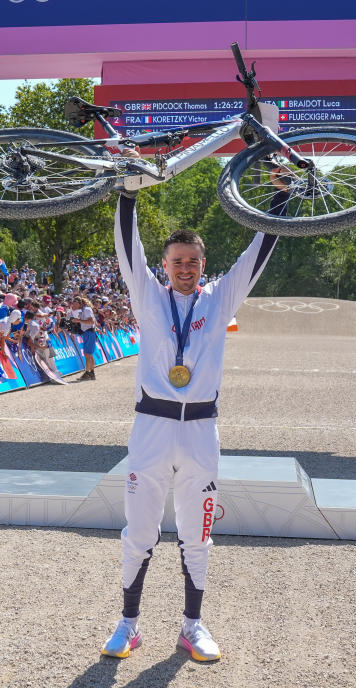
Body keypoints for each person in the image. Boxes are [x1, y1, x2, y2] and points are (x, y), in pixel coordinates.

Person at [101, 187, 283, 663]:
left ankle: (192, 626)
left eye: (193, 261)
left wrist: (278, 202)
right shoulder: (146, 295)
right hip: (152, 428)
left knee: (197, 535)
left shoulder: (220, 301)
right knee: (138, 532)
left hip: (201, 431)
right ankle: (128, 624)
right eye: (177, 261)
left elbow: (256, 255)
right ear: (164, 265)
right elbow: (127, 244)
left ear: (204, 264)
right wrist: (127, 194)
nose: (185, 268)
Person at [69, 296, 98, 381]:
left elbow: (91, 321)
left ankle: (88, 373)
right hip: (88, 332)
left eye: (75, 304)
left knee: (87, 354)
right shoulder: (83, 310)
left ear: (79, 303)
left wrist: (79, 321)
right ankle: (91, 373)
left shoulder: (86, 309)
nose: (73, 305)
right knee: (89, 354)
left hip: (89, 332)